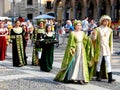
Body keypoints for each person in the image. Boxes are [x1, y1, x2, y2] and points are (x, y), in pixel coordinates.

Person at [54, 20, 94, 84]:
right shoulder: (72, 33)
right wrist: (71, 48)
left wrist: (92, 36)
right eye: (77, 25)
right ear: (75, 26)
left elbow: (87, 40)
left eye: (80, 25)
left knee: (81, 63)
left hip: (81, 49)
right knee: (74, 63)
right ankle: (71, 77)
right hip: (75, 49)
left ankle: (80, 78)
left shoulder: (82, 33)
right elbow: (70, 43)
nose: (79, 27)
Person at [90, 15, 115, 83]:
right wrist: (93, 34)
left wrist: (111, 49)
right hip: (99, 48)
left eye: (107, 21)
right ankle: (98, 76)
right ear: (102, 21)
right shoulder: (98, 29)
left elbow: (111, 41)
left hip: (107, 48)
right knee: (99, 62)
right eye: (105, 21)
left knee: (108, 62)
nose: (106, 22)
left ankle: (110, 77)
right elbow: (93, 39)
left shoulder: (110, 30)